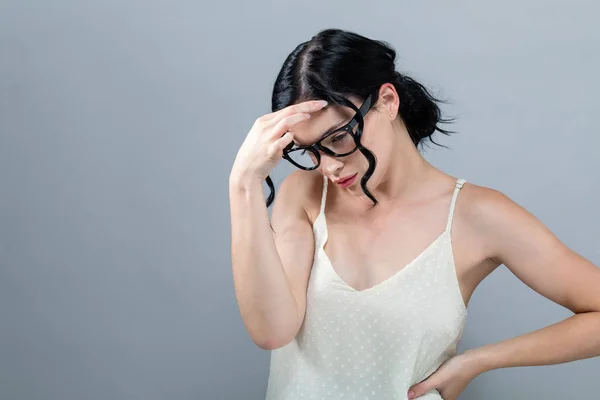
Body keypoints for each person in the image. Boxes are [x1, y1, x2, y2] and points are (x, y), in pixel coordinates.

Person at [228, 28, 600, 400]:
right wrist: (243, 183)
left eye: (338, 138)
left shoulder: (477, 215)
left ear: (387, 101)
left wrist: (479, 360)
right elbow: (272, 330)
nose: (328, 167)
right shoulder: (306, 194)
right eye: (310, 150)